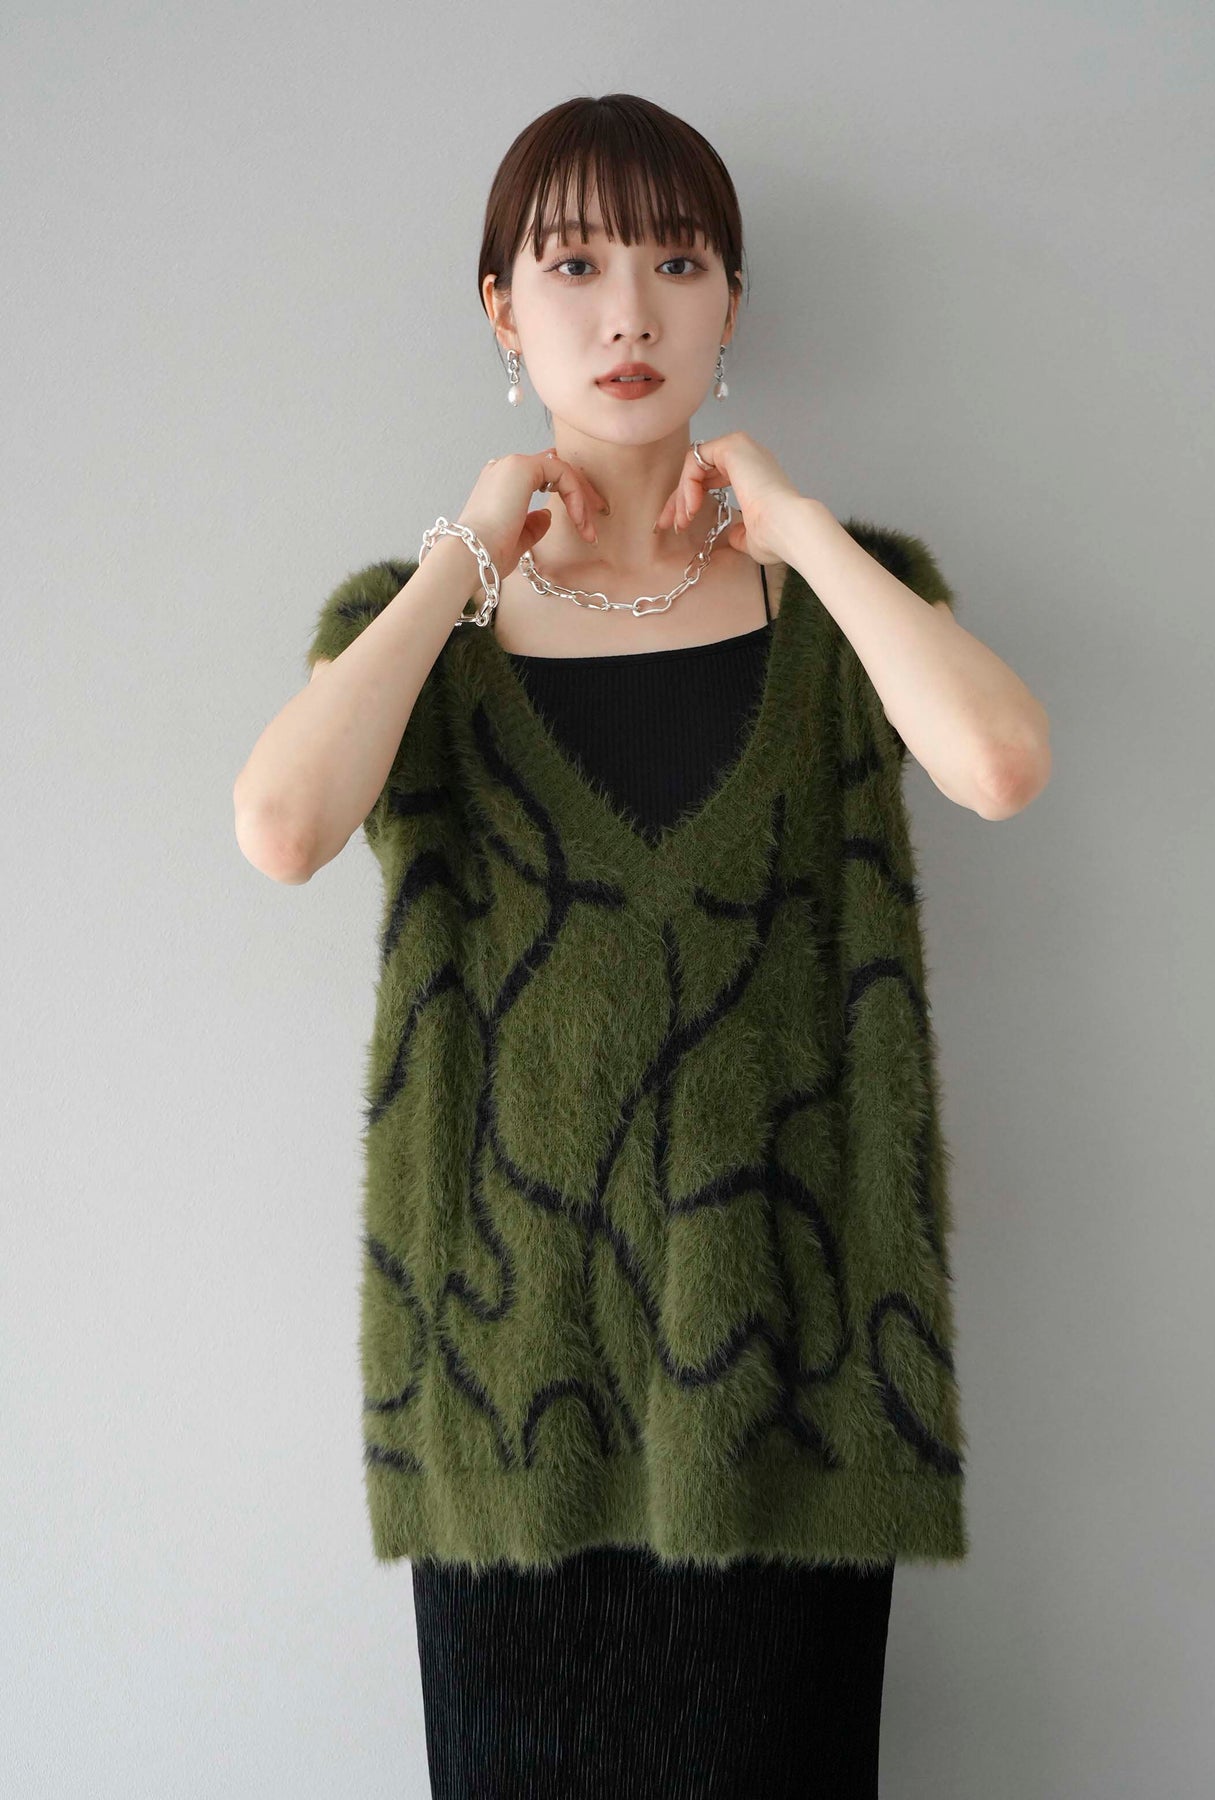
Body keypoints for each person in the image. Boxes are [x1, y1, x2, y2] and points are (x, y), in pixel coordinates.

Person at [234, 91, 1050, 1800]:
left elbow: (997, 766)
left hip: (797, 1395)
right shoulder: (419, 634)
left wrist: (798, 526)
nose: (628, 313)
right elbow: (283, 828)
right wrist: (464, 552)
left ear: (731, 303)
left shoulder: (838, 607)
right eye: (574, 265)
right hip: (505, 1402)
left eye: (678, 264)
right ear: (500, 309)